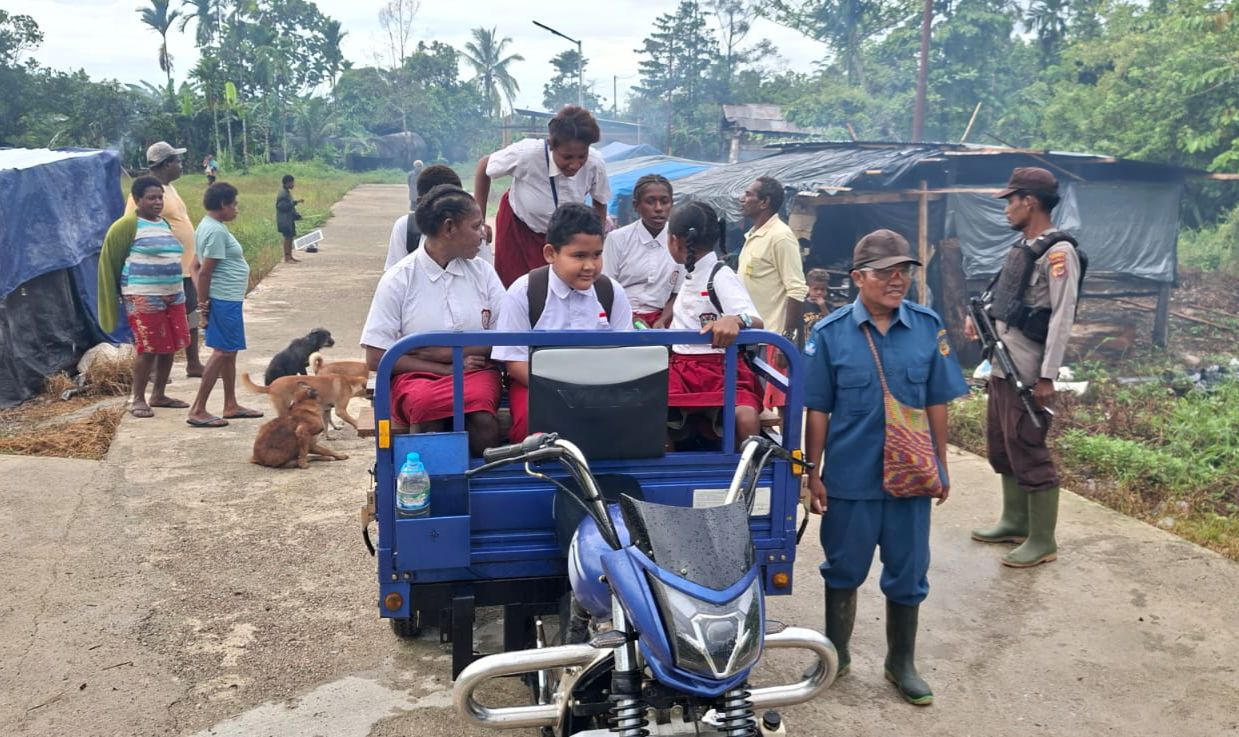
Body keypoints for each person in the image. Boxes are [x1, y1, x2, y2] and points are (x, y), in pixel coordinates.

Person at [803, 229, 968, 707]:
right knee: (842, 568)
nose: (897, 280)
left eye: (904, 271)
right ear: (858, 278)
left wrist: (940, 463)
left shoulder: (926, 327)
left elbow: (937, 401)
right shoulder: (830, 333)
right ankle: (837, 653)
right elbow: (818, 409)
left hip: (911, 479)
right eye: (885, 272)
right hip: (850, 477)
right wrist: (812, 473)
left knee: (909, 571)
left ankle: (901, 662)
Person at [966, 167, 1081, 568]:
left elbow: (1062, 317)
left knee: (1028, 446)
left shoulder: (1059, 254)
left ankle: (1043, 540)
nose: (1006, 208)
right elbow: (1006, 298)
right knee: (1002, 444)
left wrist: (1048, 375)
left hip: (1028, 369)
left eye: (1010, 201)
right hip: (1002, 363)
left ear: (1029, 201)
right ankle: (1015, 521)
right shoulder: (1024, 246)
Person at [362, 186, 506, 456]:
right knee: (426, 410)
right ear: (449, 228)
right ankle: (428, 480)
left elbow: (506, 336)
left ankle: (480, 479)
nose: (483, 233)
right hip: (416, 375)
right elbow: (375, 356)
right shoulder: (399, 279)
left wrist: (445, 353)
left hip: (474, 371)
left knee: (481, 418)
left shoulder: (483, 273)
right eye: (475, 226)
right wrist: (444, 368)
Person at [493, 202, 633, 442]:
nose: (590, 266)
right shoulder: (524, 292)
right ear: (550, 253)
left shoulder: (611, 292)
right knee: (530, 424)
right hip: (536, 385)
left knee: (625, 421)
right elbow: (515, 363)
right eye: (579, 256)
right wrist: (564, 388)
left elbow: (624, 353)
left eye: (597, 255)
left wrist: (592, 388)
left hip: (600, 385)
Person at [474, 105, 611, 287]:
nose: (575, 164)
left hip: (563, 235)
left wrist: (596, 239)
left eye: (581, 156)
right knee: (514, 287)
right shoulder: (527, 154)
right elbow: (484, 167)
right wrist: (479, 221)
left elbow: (600, 201)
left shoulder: (595, 163)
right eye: (567, 157)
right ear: (551, 146)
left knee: (559, 287)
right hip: (518, 230)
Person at [664, 201, 764, 446]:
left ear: (675, 241)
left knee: (745, 414)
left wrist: (736, 319)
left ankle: (751, 461)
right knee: (652, 409)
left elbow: (756, 319)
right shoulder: (689, 273)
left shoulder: (720, 275)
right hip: (682, 370)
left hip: (720, 369)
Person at [97, 176, 191, 418]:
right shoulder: (126, 226)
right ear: (137, 199)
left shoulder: (163, 223)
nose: (158, 202)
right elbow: (110, 262)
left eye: (160, 197)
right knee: (148, 347)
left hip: (173, 294)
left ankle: (159, 395)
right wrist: (117, 296)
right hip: (143, 295)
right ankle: (137, 399)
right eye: (151, 198)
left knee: (170, 345)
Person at [123, 141, 205, 377]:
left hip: (185, 268)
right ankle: (154, 371)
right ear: (166, 164)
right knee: (158, 321)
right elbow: (131, 227)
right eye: (177, 161)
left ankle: (193, 363)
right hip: (162, 272)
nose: (181, 165)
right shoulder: (146, 192)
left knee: (190, 316)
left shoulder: (169, 189)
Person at [186, 183, 264, 427]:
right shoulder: (216, 232)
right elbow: (204, 272)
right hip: (224, 300)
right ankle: (198, 409)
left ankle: (230, 404)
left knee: (230, 352)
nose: (236, 209)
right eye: (234, 204)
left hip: (226, 299)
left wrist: (204, 301)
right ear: (223, 204)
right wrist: (203, 305)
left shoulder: (208, 226)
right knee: (221, 352)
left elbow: (194, 267)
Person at [737, 176, 808, 413]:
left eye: (748, 194)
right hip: (752, 337)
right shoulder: (754, 235)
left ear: (764, 202)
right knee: (755, 404)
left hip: (772, 339)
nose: (742, 199)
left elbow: (797, 289)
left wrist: (785, 342)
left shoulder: (781, 236)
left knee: (781, 404)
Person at [602, 174, 679, 328]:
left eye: (664, 201)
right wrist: (629, 319)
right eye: (650, 201)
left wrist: (662, 321)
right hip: (621, 316)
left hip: (663, 320)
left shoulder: (678, 240)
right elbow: (606, 288)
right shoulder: (617, 239)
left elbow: (679, 292)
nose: (658, 208)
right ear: (636, 205)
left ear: (671, 204)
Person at [385, 165, 493, 270]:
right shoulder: (406, 228)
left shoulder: (475, 235)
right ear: (420, 203)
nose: (449, 214)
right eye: (441, 207)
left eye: (457, 205)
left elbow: (486, 273)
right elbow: (395, 271)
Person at [276, 174, 303, 263]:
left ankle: (290, 256)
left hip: (289, 219)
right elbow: (282, 207)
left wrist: (296, 215)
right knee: (287, 238)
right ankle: (287, 258)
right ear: (287, 183)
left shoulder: (287, 192)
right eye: (292, 182)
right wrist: (295, 202)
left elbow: (290, 207)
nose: (293, 184)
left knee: (290, 237)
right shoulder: (283, 194)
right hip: (284, 220)